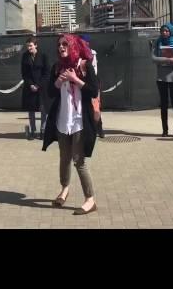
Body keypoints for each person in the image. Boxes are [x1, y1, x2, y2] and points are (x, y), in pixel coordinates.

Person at [42, 34, 99, 215]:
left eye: (65, 44)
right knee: (64, 159)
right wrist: (59, 80)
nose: (61, 47)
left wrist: (75, 79)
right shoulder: (57, 67)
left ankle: (90, 200)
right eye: (59, 45)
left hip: (80, 122)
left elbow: (93, 90)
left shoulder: (84, 65)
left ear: (72, 45)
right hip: (62, 121)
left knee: (78, 161)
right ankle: (64, 189)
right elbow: (50, 92)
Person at [152, 23, 173, 137]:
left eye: (166, 31)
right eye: (162, 31)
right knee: (163, 104)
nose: (164, 33)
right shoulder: (157, 43)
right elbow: (154, 58)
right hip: (161, 78)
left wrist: (164, 61)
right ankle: (165, 130)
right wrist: (170, 59)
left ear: (170, 32)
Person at [21, 36, 49, 140]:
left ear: (36, 45)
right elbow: (24, 74)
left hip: (42, 88)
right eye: (27, 46)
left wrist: (38, 85)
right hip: (30, 88)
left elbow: (47, 73)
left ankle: (43, 130)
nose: (29, 48)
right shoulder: (25, 56)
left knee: (43, 109)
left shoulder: (43, 56)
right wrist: (31, 85)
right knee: (31, 110)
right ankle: (33, 131)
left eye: (30, 46)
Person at [81, 34, 104, 138]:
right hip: (81, 83)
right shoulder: (77, 53)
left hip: (92, 82)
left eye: (85, 42)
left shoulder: (92, 54)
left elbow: (94, 71)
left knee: (96, 107)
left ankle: (99, 129)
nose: (83, 44)